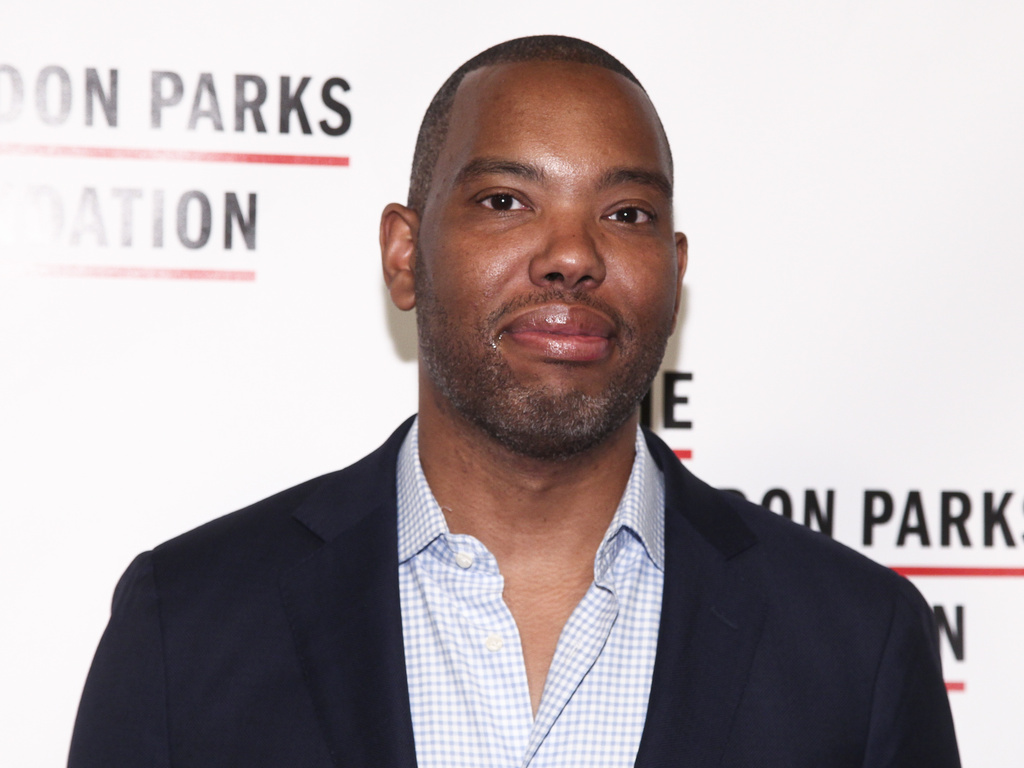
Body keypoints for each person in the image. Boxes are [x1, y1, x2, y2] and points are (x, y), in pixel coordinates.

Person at [68, 35, 961, 768]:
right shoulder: (186, 625)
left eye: (626, 214)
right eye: (506, 200)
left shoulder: (856, 645)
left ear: (676, 273)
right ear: (403, 255)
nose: (571, 255)